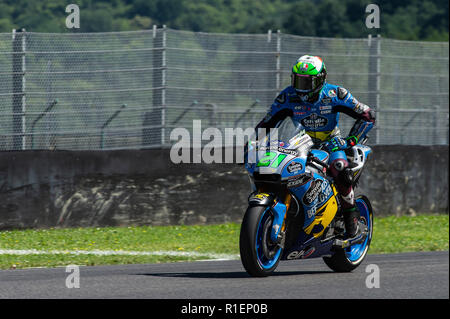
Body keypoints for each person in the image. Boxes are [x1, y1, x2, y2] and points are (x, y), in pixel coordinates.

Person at [255, 55, 376, 241]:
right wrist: (255, 143)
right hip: (297, 143)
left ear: (320, 80)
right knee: (271, 169)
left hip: (331, 143)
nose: (300, 87)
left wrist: (350, 141)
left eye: (306, 82)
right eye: (297, 80)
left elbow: (368, 115)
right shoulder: (287, 96)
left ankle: (351, 222)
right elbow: (267, 122)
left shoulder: (336, 94)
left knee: (340, 169)